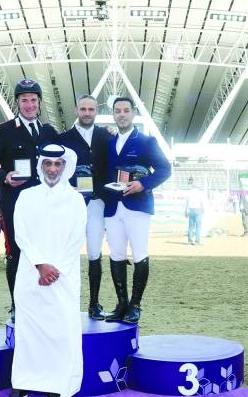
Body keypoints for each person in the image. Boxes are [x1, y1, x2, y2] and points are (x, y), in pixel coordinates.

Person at [6, 144, 87, 397]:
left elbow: (76, 239)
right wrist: (41, 264)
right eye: (48, 164)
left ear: (65, 167)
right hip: (31, 273)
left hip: (63, 276)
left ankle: (57, 386)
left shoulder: (75, 199)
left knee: (60, 330)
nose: (53, 169)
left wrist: (56, 269)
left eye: (58, 164)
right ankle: (23, 384)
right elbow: (21, 235)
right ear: (40, 166)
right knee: (29, 331)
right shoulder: (27, 196)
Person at [0, 79, 59, 320]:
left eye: (33, 100)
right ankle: (17, 305)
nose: (29, 105)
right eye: (24, 100)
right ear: (17, 103)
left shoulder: (48, 132)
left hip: (46, 204)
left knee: (45, 252)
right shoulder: (4, 131)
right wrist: (4, 176)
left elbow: (67, 154)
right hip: (15, 203)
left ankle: (44, 302)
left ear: (40, 103)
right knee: (16, 252)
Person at [101, 97, 172, 324]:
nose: (121, 114)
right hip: (112, 206)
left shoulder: (146, 141)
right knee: (116, 254)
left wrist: (144, 184)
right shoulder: (107, 141)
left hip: (138, 206)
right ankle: (121, 303)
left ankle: (135, 305)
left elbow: (165, 168)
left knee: (139, 253)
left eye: (125, 111)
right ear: (113, 114)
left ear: (133, 114)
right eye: (117, 111)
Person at [58, 94, 115, 320]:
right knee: (66, 254)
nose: (87, 113)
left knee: (94, 253)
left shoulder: (107, 136)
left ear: (96, 112)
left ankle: (94, 303)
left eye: (91, 109)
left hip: (97, 203)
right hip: (71, 203)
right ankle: (64, 303)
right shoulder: (63, 139)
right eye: (83, 109)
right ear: (76, 110)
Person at [184, 178, 205, 245]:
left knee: (190, 226)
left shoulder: (189, 192)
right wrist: (203, 209)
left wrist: (186, 211)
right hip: (198, 209)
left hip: (190, 210)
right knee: (198, 227)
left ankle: (189, 241)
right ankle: (197, 241)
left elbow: (187, 203)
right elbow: (202, 202)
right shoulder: (199, 192)